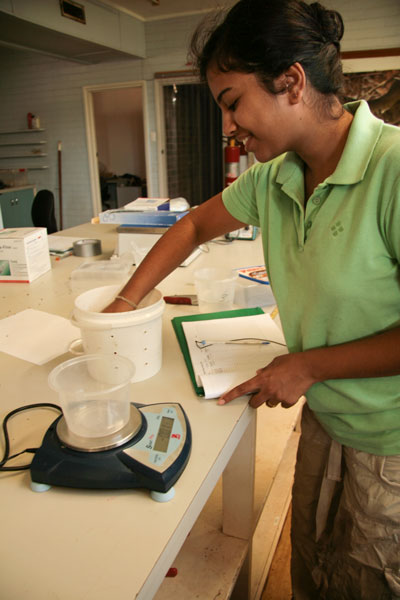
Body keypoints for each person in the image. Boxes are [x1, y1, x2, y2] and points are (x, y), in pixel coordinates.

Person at [104, 1, 400, 597]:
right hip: (327, 415)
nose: (230, 126)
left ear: (290, 81)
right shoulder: (275, 177)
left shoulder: (392, 169)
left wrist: (307, 365)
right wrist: (127, 299)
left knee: (371, 579)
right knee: (313, 562)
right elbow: (191, 226)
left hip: (390, 439)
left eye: (233, 102)